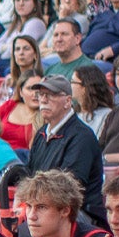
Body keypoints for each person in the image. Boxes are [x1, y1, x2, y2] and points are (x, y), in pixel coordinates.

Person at [26, 76, 106, 222]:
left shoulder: (82, 136)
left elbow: (68, 188)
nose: (43, 100)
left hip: (77, 213)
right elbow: (30, 174)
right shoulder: (41, 133)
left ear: (68, 101)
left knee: (29, 224)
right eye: (41, 95)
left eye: (50, 95)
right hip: (44, 207)